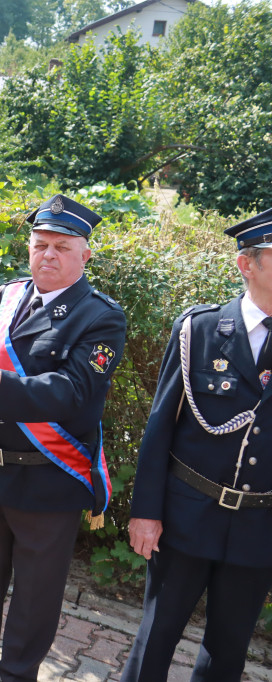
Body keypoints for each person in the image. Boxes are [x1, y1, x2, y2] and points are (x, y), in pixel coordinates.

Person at [0, 194, 126, 681]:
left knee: (36, 587)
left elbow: (76, 391)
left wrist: (2, 385)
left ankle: (18, 670)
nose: (48, 255)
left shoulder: (101, 316)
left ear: (85, 255)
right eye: (40, 244)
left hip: (48, 476)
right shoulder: (5, 297)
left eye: (62, 247)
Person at [121, 207, 272, 682]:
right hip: (188, 512)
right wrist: (146, 511)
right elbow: (160, 426)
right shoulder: (200, 330)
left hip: (259, 523)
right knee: (157, 634)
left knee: (228, 649)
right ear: (246, 265)